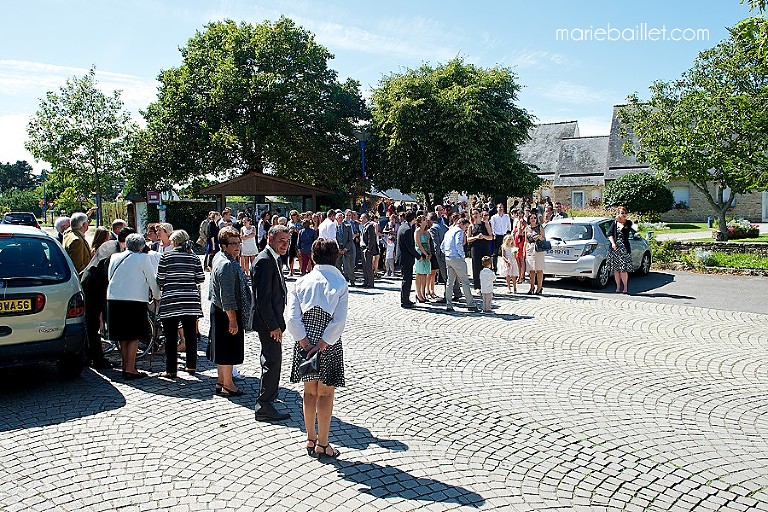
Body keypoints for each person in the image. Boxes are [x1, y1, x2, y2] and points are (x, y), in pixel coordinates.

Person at [287, 238, 348, 459]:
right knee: (326, 393)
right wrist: (322, 344)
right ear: (336, 256)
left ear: (313, 257)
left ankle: (310, 438)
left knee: (309, 392)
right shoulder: (340, 283)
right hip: (328, 343)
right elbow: (339, 321)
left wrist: (305, 343)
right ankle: (323, 443)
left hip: (305, 342)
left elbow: (292, 318)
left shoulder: (301, 282)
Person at [106, 233, 161, 379]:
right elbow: (152, 279)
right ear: (141, 246)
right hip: (134, 300)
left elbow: (110, 276)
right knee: (134, 335)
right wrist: (157, 296)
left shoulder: (115, 257)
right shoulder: (143, 258)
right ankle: (130, 369)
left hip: (114, 299)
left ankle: (126, 366)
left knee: (123, 336)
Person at [251, 225, 291, 421]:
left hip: (273, 320)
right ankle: (264, 405)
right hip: (268, 323)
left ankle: (268, 401)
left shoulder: (274, 258)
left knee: (273, 360)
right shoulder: (265, 261)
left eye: (287, 241)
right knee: (272, 362)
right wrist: (273, 326)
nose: (285, 244)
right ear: (270, 239)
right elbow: (263, 300)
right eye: (281, 240)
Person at [208, 227, 252, 397]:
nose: (237, 247)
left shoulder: (220, 257)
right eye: (233, 244)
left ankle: (221, 381)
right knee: (227, 349)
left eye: (238, 243)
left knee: (222, 348)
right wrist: (232, 319)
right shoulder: (226, 264)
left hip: (220, 310)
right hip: (226, 312)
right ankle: (228, 385)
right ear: (223, 246)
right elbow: (227, 295)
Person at [156, 230, 205, 379]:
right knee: (190, 334)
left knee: (170, 336)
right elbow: (201, 278)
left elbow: (160, 279)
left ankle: (171, 370)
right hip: (190, 300)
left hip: (171, 300)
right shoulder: (193, 257)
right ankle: (191, 365)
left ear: (174, 242)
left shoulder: (166, 256)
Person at [441, 215, 478, 313]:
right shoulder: (459, 231)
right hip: (457, 258)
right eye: (466, 227)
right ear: (461, 224)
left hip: (448, 258)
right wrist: (462, 255)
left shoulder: (449, 231)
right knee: (465, 281)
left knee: (450, 282)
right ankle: (470, 304)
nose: (465, 229)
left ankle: (449, 305)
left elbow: (442, 246)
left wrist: (447, 253)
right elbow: (458, 243)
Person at [607, 205, 634, 294]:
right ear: (618, 214)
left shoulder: (628, 223)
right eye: (622, 213)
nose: (624, 214)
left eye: (625, 213)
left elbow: (626, 231)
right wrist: (613, 243)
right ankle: (618, 287)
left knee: (623, 269)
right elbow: (610, 234)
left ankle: (625, 287)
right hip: (615, 249)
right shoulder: (614, 223)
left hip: (624, 248)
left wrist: (620, 221)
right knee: (616, 269)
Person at [396, 210, 419, 308]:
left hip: (403, 257)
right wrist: (419, 256)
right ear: (414, 218)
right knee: (407, 280)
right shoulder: (407, 229)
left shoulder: (403, 226)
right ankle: (405, 301)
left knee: (406, 279)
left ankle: (405, 299)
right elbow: (410, 247)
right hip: (406, 258)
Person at [467, 210, 493, 291]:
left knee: (486, 265)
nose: (475, 215)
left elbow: (491, 237)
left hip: (485, 247)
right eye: (473, 214)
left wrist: (484, 237)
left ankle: (488, 285)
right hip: (475, 248)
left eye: (476, 213)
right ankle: (477, 286)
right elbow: (468, 239)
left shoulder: (486, 224)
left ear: (480, 215)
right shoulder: (471, 226)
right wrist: (476, 237)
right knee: (476, 266)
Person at [525, 214, 546, 295]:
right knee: (531, 270)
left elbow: (544, 238)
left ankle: (539, 287)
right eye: (531, 218)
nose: (533, 219)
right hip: (530, 249)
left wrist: (539, 237)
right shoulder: (527, 228)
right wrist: (524, 250)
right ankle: (531, 287)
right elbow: (526, 241)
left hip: (538, 249)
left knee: (539, 269)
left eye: (534, 218)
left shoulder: (540, 227)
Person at [413, 215, 431, 303]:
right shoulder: (417, 231)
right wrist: (425, 253)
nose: (426, 220)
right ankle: (418, 294)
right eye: (424, 220)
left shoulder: (427, 232)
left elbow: (428, 243)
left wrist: (429, 253)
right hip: (420, 252)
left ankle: (423, 294)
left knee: (425, 274)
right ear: (420, 222)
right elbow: (419, 244)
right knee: (419, 273)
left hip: (426, 252)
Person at [334, 212, 355, 286]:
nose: (340, 219)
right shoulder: (333, 227)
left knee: (349, 265)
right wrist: (338, 249)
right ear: (336, 218)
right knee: (338, 265)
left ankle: (352, 280)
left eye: (341, 217)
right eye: (339, 217)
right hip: (338, 248)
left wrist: (346, 249)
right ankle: (340, 280)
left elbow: (350, 240)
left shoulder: (348, 227)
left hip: (347, 248)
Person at [489, 203, 511, 271]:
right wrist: (493, 234)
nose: (500, 209)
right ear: (497, 209)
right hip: (497, 236)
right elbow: (492, 226)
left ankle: (506, 268)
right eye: (499, 207)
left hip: (504, 235)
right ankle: (495, 268)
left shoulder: (506, 216)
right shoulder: (494, 217)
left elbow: (509, 225)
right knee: (495, 253)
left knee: (506, 252)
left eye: (501, 207)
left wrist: (508, 233)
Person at [359, 213, 378, 288]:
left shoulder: (370, 226)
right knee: (364, 266)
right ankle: (366, 281)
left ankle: (370, 283)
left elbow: (371, 239)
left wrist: (368, 249)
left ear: (366, 219)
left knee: (368, 266)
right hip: (362, 248)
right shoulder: (364, 226)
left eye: (362, 218)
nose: (360, 219)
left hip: (367, 249)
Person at [287, 210, 302, 276]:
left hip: (298, 239)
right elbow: (287, 230)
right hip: (291, 239)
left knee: (299, 255)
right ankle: (291, 271)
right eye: (292, 215)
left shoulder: (301, 222)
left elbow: (302, 231)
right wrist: (290, 231)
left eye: (294, 214)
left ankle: (301, 269)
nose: (293, 216)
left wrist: (297, 230)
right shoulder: (289, 222)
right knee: (291, 255)